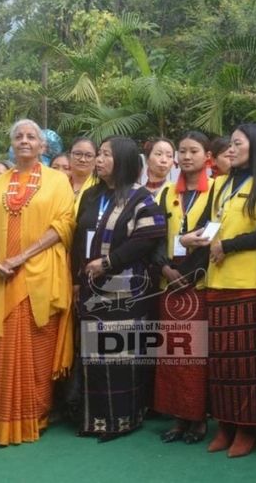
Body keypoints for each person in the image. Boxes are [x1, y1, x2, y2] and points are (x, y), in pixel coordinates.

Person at [0, 120, 75, 446]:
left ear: (44, 147)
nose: (25, 141)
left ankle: (37, 415)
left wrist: (21, 258)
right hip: (0, 277)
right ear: (11, 144)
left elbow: (63, 226)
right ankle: (3, 422)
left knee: (38, 352)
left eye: (32, 137)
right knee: (3, 353)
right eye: (19, 136)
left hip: (40, 278)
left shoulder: (59, 181)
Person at [184, 123, 256, 458]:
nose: (231, 149)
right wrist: (189, 238)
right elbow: (210, 226)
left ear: (254, 147)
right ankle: (224, 423)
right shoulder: (221, 183)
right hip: (216, 282)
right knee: (222, 360)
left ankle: (247, 427)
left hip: (249, 284)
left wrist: (228, 245)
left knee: (248, 363)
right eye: (231, 144)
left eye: (237, 144)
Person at [71, 136, 165, 442]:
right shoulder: (91, 194)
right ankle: (95, 419)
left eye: (106, 155)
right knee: (94, 355)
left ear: (122, 160)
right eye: (99, 154)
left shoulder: (140, 197)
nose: (99, 160)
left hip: (125, 287)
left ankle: (122, 420)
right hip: (89, 285)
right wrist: (76, 278)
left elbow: (149, 235)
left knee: (120, 356)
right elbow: (77, 237)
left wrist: (109, 262)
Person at [153, 131, 213, 445]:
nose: (187, 156)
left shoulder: (216, 191)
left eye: (194, 151)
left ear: (207, 157)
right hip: (168, 283)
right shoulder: (165, 194)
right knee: (172, 354)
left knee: (195, 355)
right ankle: (177, 417)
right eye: (183, 151)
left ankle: (198, 419)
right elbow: (153, 238)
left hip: (199, 283)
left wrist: (185, 276)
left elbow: (213, 237)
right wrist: (165, 268)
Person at [69, 137, 99, 211]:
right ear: (69, 156)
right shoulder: (59, 181)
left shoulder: (100, 185)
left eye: (89, 156)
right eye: (78, 154)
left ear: (96, 159)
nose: (82, 159)